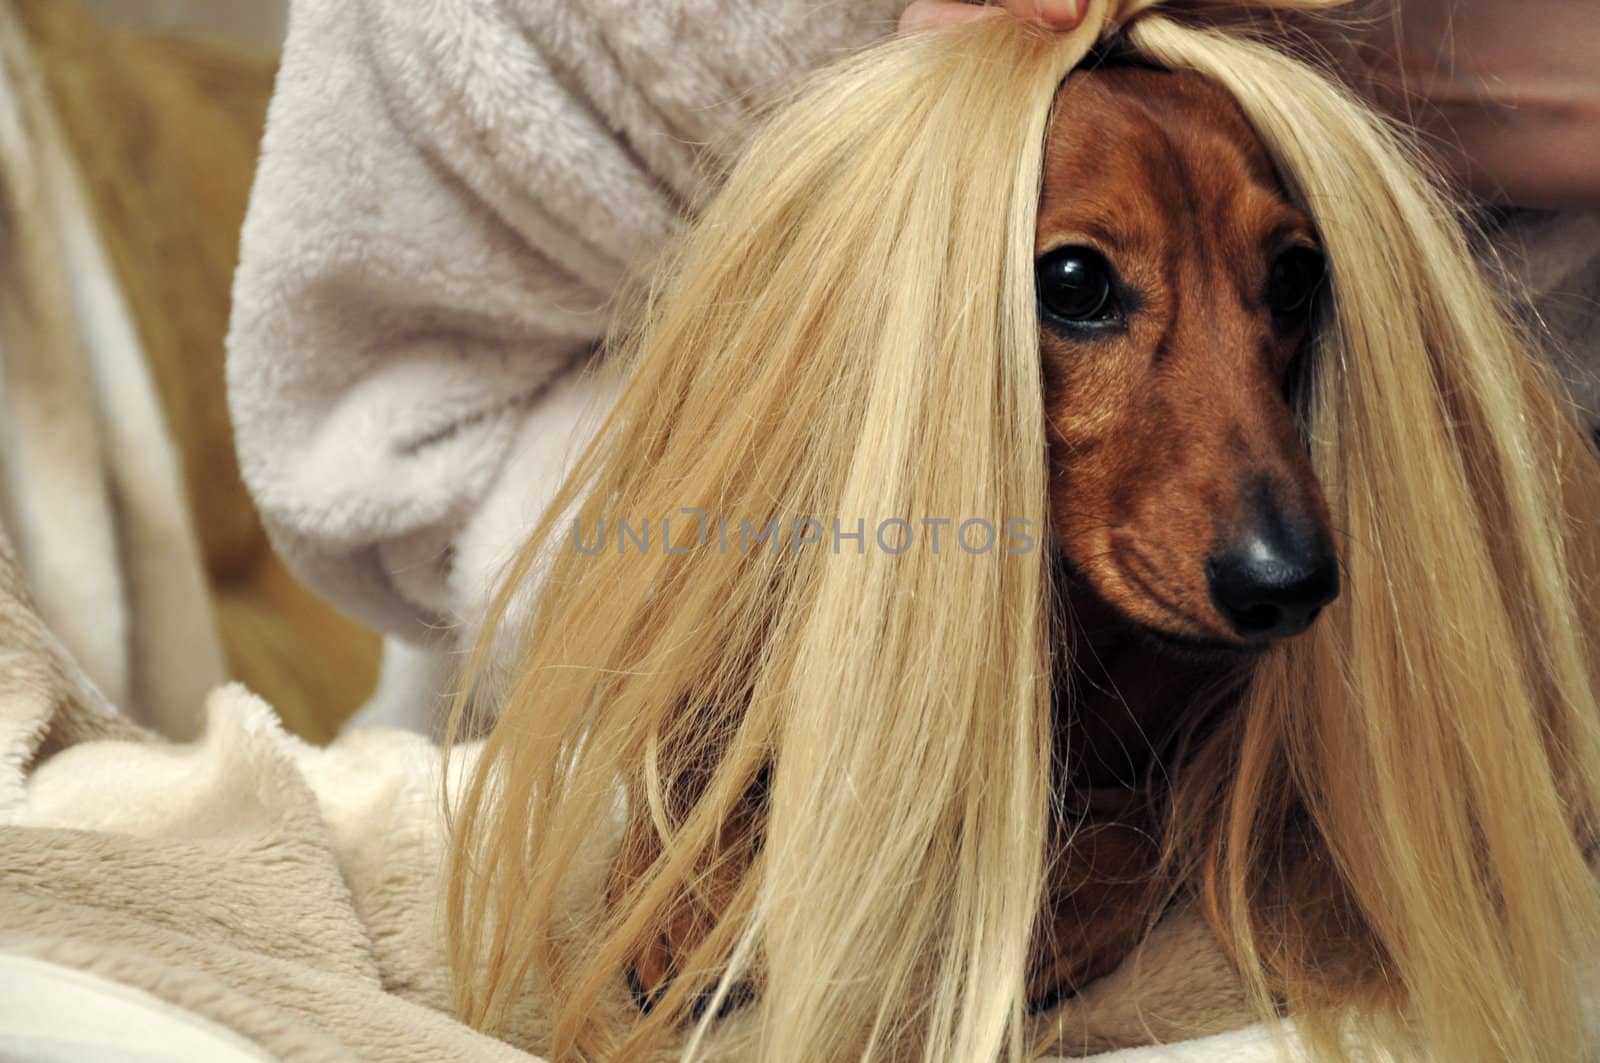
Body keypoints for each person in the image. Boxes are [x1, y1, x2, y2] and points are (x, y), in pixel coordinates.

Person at [226, 0, 1600, 730]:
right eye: (1080, 288)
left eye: (1284, 284)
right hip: (563, 699)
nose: (1272, 525)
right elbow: (395, 429)